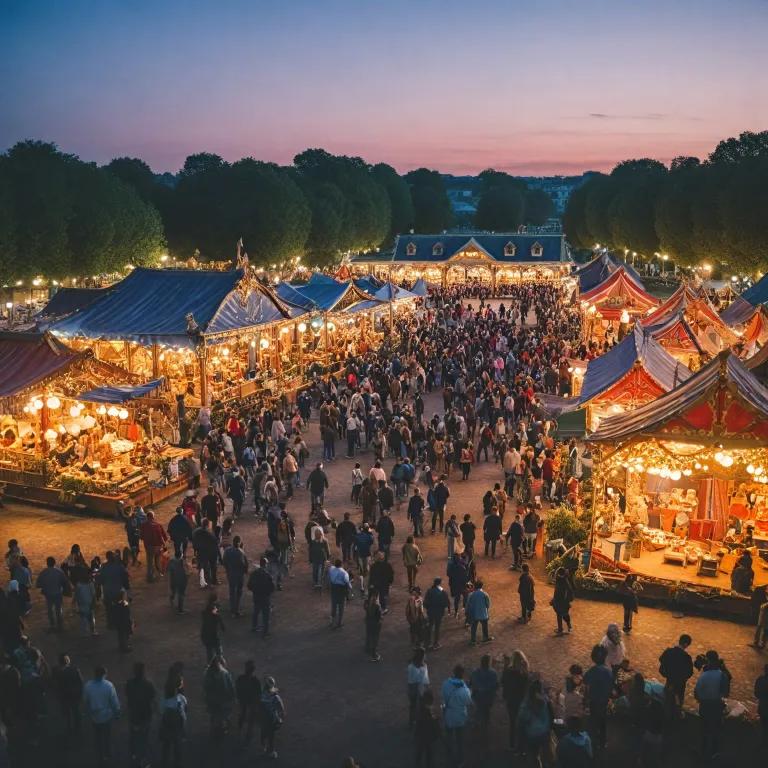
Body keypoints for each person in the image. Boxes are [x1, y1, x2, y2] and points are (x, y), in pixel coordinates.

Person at [694, 650, 730, 759]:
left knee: (704, 727)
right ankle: (714, 752)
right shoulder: (721, 675)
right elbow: (726, 692)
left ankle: (703, 751)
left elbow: (696, 693)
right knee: (716, 728)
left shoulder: (703, 676)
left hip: (704, 704)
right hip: (716, 704)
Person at [82, 665, 120, 765]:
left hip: (94, 717)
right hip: (106, 716)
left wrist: (87, 711)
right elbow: (114, 701)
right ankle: (106, 754)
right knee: (107, 735)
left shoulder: (88, 685)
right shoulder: (109, 685)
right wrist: (117, 712)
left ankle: (99, 753)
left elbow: (85, 701)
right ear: (104, 674)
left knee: (98, 735)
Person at [441, 664, 473, 767]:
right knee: (460, 740)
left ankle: (448, 754)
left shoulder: (446, 684)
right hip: (460, 716)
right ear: (462, 674)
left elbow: (443, 701)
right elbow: (469, 703)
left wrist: (443, 710)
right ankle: (460, 761)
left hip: (449, 714)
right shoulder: (464, 690)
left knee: (448, 736)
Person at [125, 661, 156, 768]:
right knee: (144, 739)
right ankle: (142, 759)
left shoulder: (129, 683)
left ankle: (133, 757)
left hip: (134, 715)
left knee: (134, 737)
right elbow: (152, 697)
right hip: (145, 715)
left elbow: (128, 695)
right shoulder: (148, 684)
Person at [517, 679, 553, 764]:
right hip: (543, 732)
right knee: (542, 754)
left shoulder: (526, 701)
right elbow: (551, 716)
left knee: (532, 753)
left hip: (530, 732)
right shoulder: (545, 700)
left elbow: (521, 717)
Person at [583, 645, 612, 750]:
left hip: (593, 700)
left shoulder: (591, 672)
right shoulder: (609, 672)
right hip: (603, 701)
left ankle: (593, 741)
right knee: (603, 721)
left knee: (593, 720)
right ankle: (602, 742)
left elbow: (585, 683)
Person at [658, 633, 694, 718]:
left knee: (668, 700)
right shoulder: (686, 657)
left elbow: (661, 660)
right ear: (685, 644)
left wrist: (667, 674)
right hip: (680, 683)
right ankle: (676, 717)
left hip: (670, 680)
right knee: (679, 701)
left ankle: (666, 717)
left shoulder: (669, 651)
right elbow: (690, 672)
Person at [501, 650, 530, 751]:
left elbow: (502, 681)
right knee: (522, 722)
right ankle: (522, 745)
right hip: (521, 700)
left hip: (511, 700)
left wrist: (505, 666)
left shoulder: (509, 672)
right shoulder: (525, 673)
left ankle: (512, 745)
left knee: (512, 722)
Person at [203, 655, 236, 744]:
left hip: (211, 700)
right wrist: (232, 697)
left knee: (213, 715)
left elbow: (205, 687)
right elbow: (230, 687)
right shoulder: (224, 674)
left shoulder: (207, 673)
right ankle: (221, 731)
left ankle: (213, 731)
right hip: (222, 700)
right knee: (223, 716)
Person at [159, 666, 187, 767]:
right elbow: (183, 715)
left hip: (167, 724)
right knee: (177, 745)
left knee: (166, 744)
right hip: (177, 726)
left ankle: (164, 761)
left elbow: (161, 711)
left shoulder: (164, 698)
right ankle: (177, 763)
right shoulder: (181, 699)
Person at [36, 555, 70, 631]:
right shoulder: (59, 571)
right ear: (54, 563)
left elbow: (38, 585)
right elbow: (65, 582)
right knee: (59, 610)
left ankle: (52, 625)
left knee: (50, 610)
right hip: (58, 593)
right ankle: (59, 626)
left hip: (48, 594)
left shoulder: (43, 573)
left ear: (47, 563)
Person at [52, 653, 84, 734]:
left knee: (66, 712)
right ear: (67, 661)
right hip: (74, 696)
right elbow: (81, 682)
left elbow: (54, 684)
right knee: (76, 711)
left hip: (63, 696)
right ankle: (77, 729)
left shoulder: (55, 671)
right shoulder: (75, 670)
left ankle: (68, 728)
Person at [469, 654, 499, 732]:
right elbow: (497, 686)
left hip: (478, 696)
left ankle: (477, 722)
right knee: (486, 710)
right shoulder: (493, 673)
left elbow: (470, 683)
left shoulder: (475, 672)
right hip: (489, 697)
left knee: (478, 709)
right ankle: (485, 724)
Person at [235, 660, 261, 745]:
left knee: (243, 713)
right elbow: (259, 693)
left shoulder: (240, 678)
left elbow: (237, 689)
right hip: (252, 701)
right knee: (251, 717)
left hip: (243, 700)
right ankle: (248, 733)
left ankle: (240, 730)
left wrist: (239, 697)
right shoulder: (255, 681)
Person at [247, 557, 274, 638]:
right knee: (266, 617)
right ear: (265, 565)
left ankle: (254, 627)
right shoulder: (268, 575)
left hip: (256, 597)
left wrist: (255, 591)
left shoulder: (254, 574)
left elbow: (249, 585)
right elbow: (272, 588)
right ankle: (265, 633)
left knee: (255, 613)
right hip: (265, 599)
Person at [139, 510, 169, 583]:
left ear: (146, 517)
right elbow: (165, 537)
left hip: (148, 547)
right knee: (157, 561)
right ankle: (159, 573)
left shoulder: (143, 525)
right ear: (153, 517)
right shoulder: (158, 525)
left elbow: (141, 536)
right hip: (158, 546)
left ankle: (150, 578)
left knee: (149, 563)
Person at [259, 676, 285, 758]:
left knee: (263, 733)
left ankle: (264, 748)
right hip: (272, 718)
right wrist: (281, 719)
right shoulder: (275, 697)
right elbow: (281, 709)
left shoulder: (262, 694)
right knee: (271, 735)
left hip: (263, 717)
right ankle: (271, 752)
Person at [223, 535, 249, 617]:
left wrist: (228, 569)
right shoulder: (241, 552)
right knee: (238, 593)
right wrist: (245, 571)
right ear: (239, 543)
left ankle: (232, 610)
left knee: (232, 592)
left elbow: (224, 561)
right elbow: (245, 564)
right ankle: (236, 610)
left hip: (230, 574)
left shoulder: (227, 550)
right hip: (239, 576)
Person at [414, 690, 440, 768]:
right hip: (429, 737)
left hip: (420, 736)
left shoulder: (419, 710)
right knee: (429, 756)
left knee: (419, 755)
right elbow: (433, 725)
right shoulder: (429, 712)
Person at [423, 576, 450, 650]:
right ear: (440, 583)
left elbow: (425, 603)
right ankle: (436, 643)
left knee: (429, 627)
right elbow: (446, 604)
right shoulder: (443, 592)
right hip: (439, 613)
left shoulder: (429, 591)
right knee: (437, 628)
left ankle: (427, 644)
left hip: (431, 612)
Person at [466, 579, 493, 646]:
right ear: (481, 586)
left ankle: (472, 640)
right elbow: (488, 605)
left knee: (474, 627)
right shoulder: (485, 594)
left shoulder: (471, 595)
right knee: (484, 626)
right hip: (483, 614)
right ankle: (485, 638)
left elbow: (468, 604)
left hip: (474, 614)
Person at [407, 647, 430, 727]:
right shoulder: (422, 667)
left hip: (413, 688)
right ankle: (415, 721)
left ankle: (412, 721)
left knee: (413, 705)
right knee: (417, 705)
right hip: (417, 688)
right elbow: (424, 680)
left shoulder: (411, 667)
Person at [200, 593, 225, 663]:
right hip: (211, 635)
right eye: (217, 600)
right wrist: (216, 615)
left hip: (206, 634)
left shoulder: (208, 610)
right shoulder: (212, 612)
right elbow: (217, 620)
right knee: (214, 650)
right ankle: (213, 664)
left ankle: (212, 664)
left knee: (211, 650)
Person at [328, 559, 351, 630]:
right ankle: (340, 623)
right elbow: (347, 582)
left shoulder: (331, 570)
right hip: (341, 590)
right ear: (341, 564)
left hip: (334, 589)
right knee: (341, 608)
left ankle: (332, 622)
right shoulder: (344, 573)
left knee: (334, 606)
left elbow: (329, 571)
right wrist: (350, 589)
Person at [552, 566, 573, 635]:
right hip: (564, 602)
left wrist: (554, 600)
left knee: (559, 615)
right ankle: (568, 625)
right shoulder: (565, 580)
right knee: (565, 614)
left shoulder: (559, 580)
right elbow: (570, 590)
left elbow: (557, 592)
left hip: (559, 601)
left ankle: (561, 629)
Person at [167, 550, 190, 615]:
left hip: (173, 579)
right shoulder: (183, 562)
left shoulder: (171, 561)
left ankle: (171, 598)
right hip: (181, 580)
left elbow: (167, 569)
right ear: (181, 555)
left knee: (173, 590)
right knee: (181, 594)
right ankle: (180, 610)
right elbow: (187, 572)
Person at [354, 523, 374, 596]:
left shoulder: (358, 535)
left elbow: (356, 542)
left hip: (360, 553)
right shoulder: (369, 535)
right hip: (367, 553)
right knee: (367, 569)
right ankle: (367, 586)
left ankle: (362, 586)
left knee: (361, 569)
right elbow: (372, 541)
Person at [364, 587, 384, 662]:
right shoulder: (377, 605)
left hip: (368, 622)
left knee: (369, 637)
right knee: (375, 639)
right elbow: (380, 616)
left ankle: (367, 650)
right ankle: (373, 654)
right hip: (375, 625)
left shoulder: (367, 602)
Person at [308, 527, 330, 592]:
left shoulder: (314, 542)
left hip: (317, 559)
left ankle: (317, 583)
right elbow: (327, 551)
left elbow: (310, 552)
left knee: (317, 571)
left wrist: (310, 559)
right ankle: (318, 583)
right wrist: (327, 557)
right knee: (319, 572)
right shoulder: (323, 541)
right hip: (320, 559)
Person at [114, 588, 133, 654]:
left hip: (119, 623)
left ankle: (122, 647)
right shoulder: (124, 604)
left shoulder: (116, 604)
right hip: (124, 623)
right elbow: (127, 614)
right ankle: (125, 648)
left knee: (121, 636)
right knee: (125, 636)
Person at [755, 663, 768, 748]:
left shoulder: (761, 680)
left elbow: (757, 694)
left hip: (764, 707)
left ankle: (763, 743)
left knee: (764, 726)